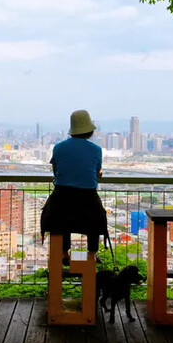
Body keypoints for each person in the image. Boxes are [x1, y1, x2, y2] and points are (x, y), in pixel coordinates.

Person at [40, 109, 108, 265]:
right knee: (96, 218)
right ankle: (92, 252)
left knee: (60, 220)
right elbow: (96, 172)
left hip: (62, 197)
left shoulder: (58, 147)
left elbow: (56, 172)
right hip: (87, 198)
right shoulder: (96, 150)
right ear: (89, 131)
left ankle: (64, 252)